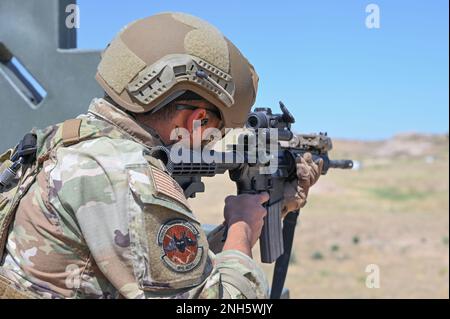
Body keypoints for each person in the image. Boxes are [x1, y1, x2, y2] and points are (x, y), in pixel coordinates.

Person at [0, 12, 321, 299]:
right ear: (195, 120)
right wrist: (242, 229)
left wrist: (268, 212)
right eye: (217, 130)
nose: (214, 142)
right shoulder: (128, 178)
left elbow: (161, 268)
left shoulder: (68, 140)